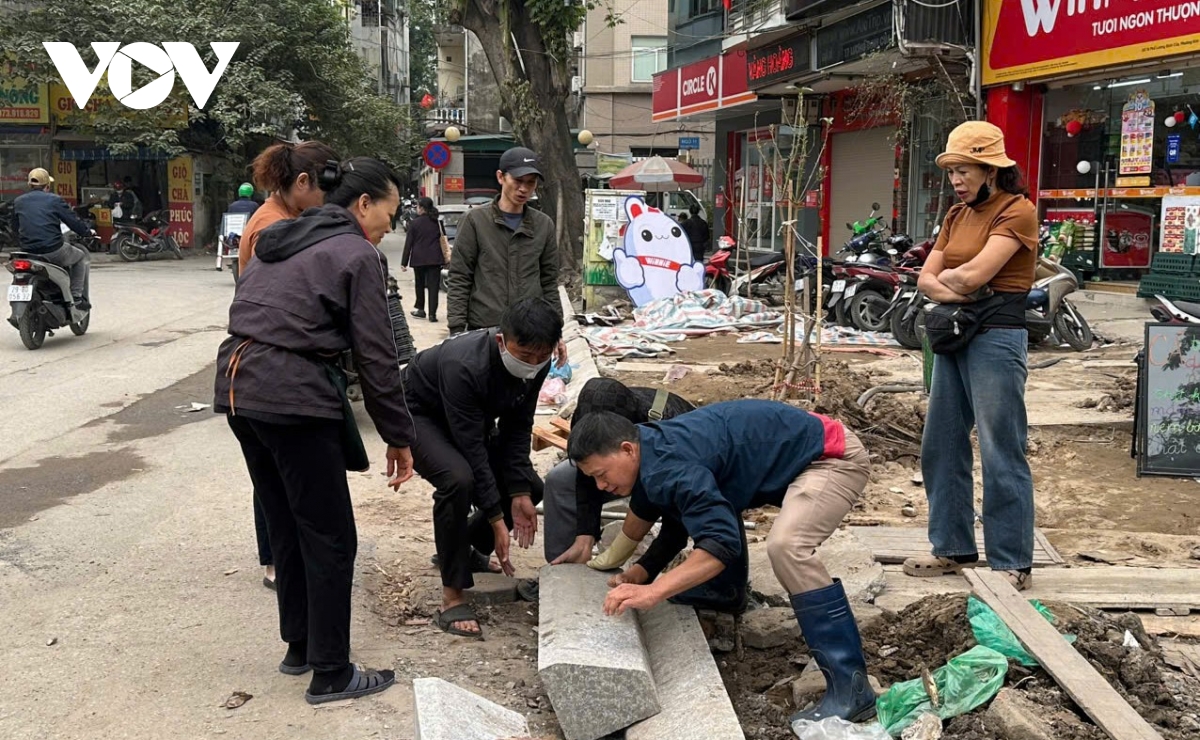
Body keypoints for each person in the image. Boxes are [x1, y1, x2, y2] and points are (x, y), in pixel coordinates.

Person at [214, 156, 413, 705]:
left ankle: (300, 647)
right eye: (390, 214)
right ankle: (330, 672)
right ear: (364, 204)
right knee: (330, 536)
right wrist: (398, 434)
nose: (391, 227)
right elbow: (376, 355)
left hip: (237, 386)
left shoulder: (283, 235)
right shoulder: (357, 253)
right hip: (290, 392)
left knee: (287, 521)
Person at [568, 400, 874, 725]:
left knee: (788, 547)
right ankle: (723, 594)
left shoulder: (669, 463)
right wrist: (641, 572)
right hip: (805, 451)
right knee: (726, 527)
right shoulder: (651, 451)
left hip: (830, 457)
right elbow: (679, 520)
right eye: (593, 479)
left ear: (627, 449)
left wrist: (654, 591)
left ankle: (851, 689)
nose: (601, 487)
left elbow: (720, 545)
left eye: (601, 475)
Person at [904, 121, 1039, 591]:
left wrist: (955, 287)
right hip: (956, 335)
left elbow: (976, 274)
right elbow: (927, 278)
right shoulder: (957, 215)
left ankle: (1010, 560)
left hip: (998, 338)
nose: (957, 180)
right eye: (952, 171)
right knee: (941, 443)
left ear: (991, 169)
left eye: (965, 170)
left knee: (1001, 446)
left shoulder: (1017, 212)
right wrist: (960, 290)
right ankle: (952, 547)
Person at [403, 297, 564, 639]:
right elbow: (472, 450)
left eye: (541, 357)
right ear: (501, 342)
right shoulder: (465, 365)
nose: (533, 364)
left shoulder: (538, 363)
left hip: (468, 422)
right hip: (418, 413)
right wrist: (495, 519)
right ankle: (452, 595)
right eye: (524, 356)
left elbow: (518, 427)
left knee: (528, 487)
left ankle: (465, 551)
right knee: (457, 479)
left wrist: (519, 492)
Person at [233, 141, 340, 589]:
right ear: (301, 183)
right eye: (322, 191)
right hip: (266, 361)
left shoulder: (287, 218)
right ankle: (275, 560)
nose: (326, 203)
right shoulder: (269, 228)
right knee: (275, 476)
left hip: (267, 359)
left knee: (279, 473)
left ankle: (282, 556)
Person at [445, 146, 566, 365]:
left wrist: (557, 332)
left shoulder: (543, 226)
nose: (523, 189)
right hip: (484, 331)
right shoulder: (475, 221)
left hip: (529, 335)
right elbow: (460, 278)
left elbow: (549, 283)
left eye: (530, 183)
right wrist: (456, 331)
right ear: (501, 177)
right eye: (518, 181)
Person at [238, 141, 340, 273]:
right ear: (302, 181)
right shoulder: (271, 225)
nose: (331, 200)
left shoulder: (293, 216)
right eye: (328, 192)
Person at [13, 168, 95, 309]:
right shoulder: (54, 200)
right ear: (47, 186)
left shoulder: (18, 201)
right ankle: (76, 297)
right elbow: (73, 221)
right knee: (81, 257)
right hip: (53, 250)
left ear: (29, 185)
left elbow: (15, 227)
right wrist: (87, 232)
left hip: (28, 252)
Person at [401, 196, 444, 323]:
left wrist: (404, 262)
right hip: (434, 259)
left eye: (418, 207)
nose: (417, 209)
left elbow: (408, 243)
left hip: (419, 259)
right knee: (433, 287)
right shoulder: (437, 222)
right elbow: (443, 240)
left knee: (419, 285)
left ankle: (420, 309)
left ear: (422, 208)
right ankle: (432, 314)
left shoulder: (414, 223)